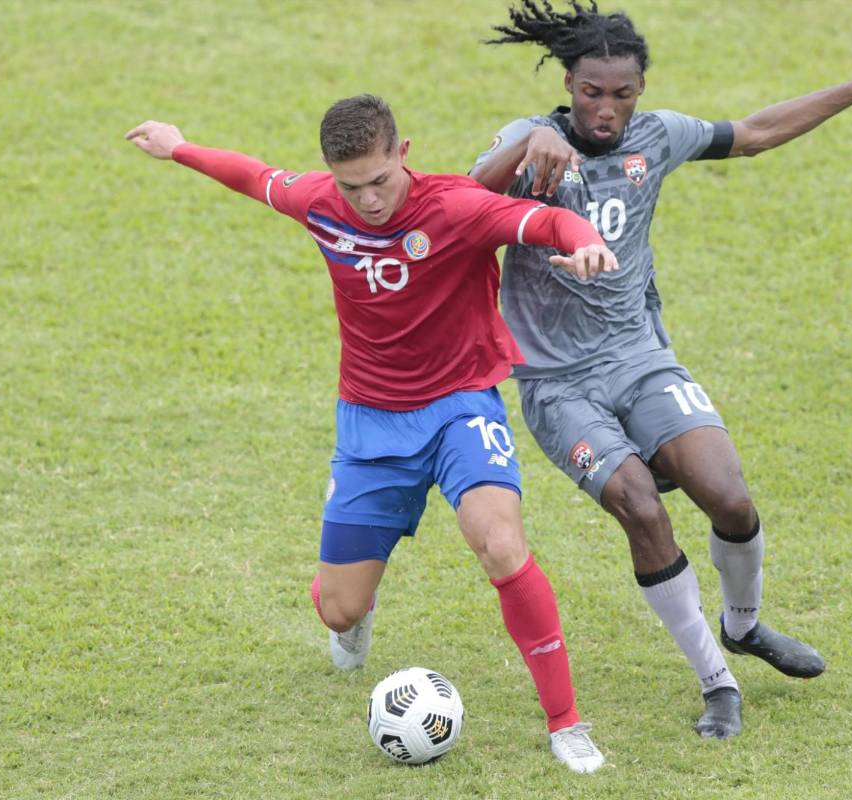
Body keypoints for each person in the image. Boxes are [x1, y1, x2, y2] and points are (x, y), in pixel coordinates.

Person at [127, 94, 620, 772]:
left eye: (380, 181)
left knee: (500, 545)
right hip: (370, 421)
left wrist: (587, 243)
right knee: (337, 610)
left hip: (460, 406)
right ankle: (356, 609)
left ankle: (566, 723)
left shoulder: (455, 208)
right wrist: (180, 147)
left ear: (404, 154)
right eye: (352, 186)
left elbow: (547, 220)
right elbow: (253, 176)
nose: (369, 201)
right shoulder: (320, 202)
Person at [469, 0, 852, 739]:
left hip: (640, 359)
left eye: (622, 93)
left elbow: (757, 132)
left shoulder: (658, 136)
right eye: (590, 93)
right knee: (641, 504)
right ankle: (718, 681)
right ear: (568, 83)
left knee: (730, 500)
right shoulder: (530, 142)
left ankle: (743, 626)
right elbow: (457, 203)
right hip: (557, 384)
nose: (606, 109)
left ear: (640, 90)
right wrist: (525, 148)